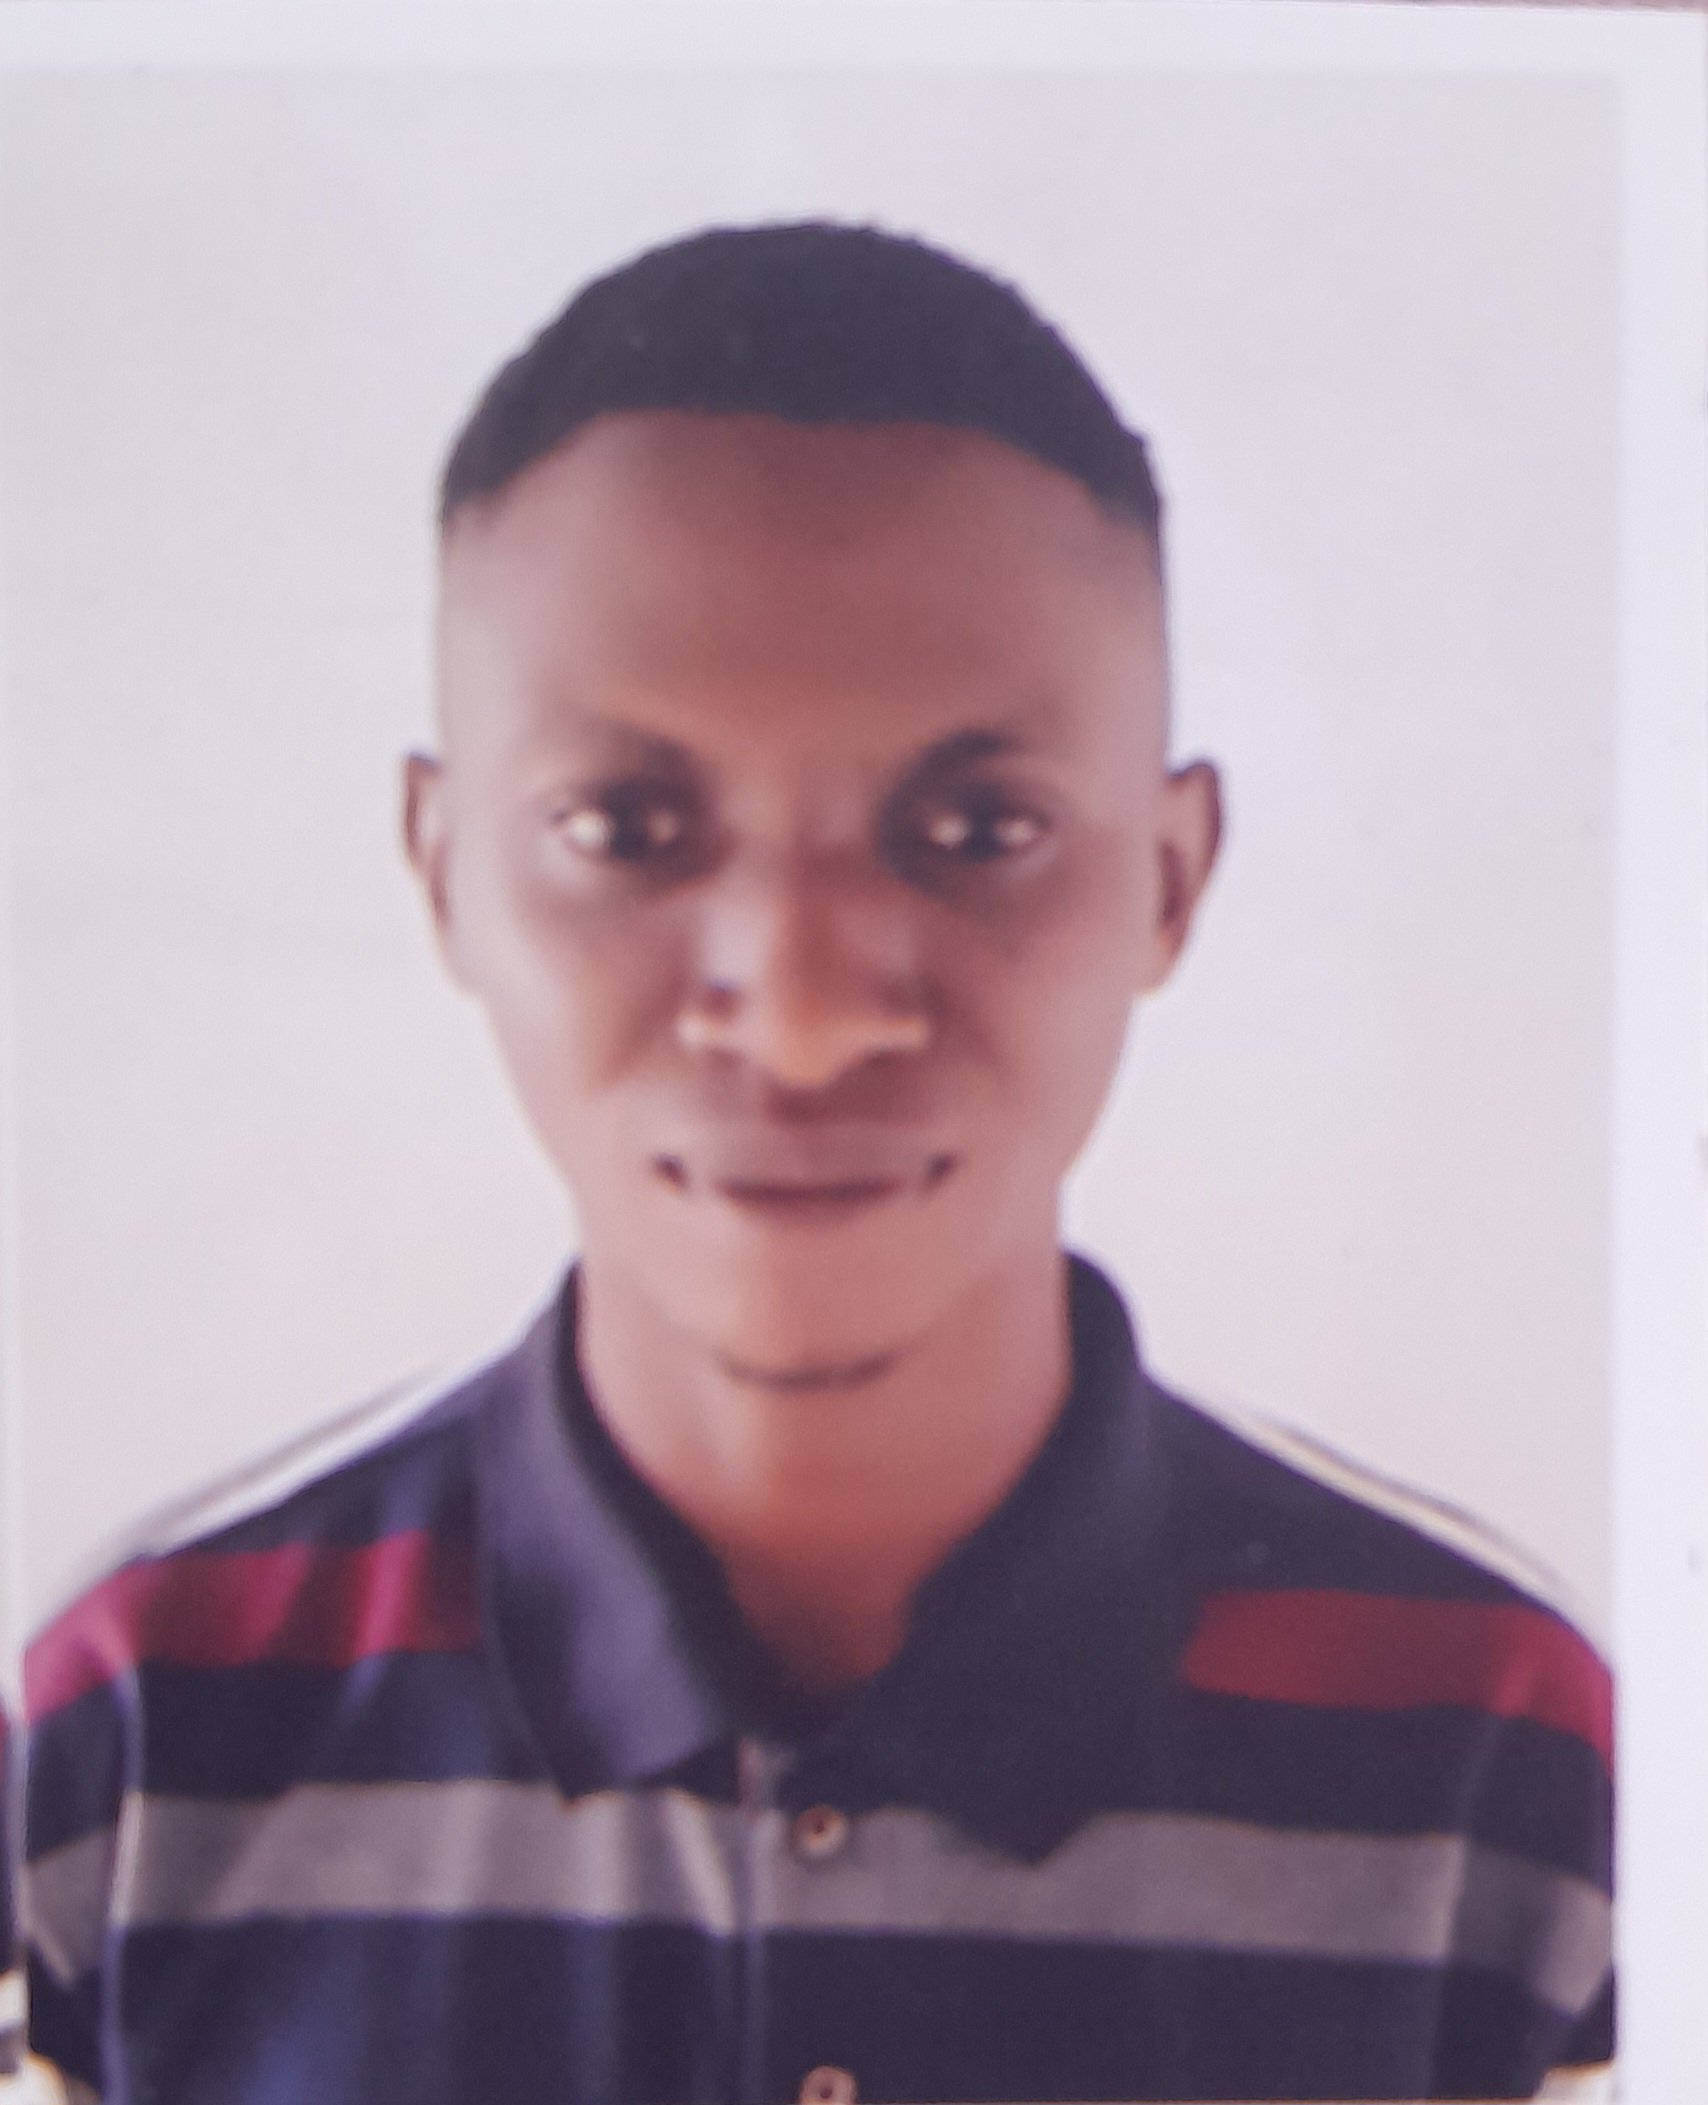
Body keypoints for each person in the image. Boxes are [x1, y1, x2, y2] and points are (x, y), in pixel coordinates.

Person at [15, 222, 1612, 2104]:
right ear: (442, 872)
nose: (799, 1016)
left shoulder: (1523, 1784)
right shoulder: (129, 1756)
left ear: (1170, 880)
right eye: (626, 826)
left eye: (978, 826)